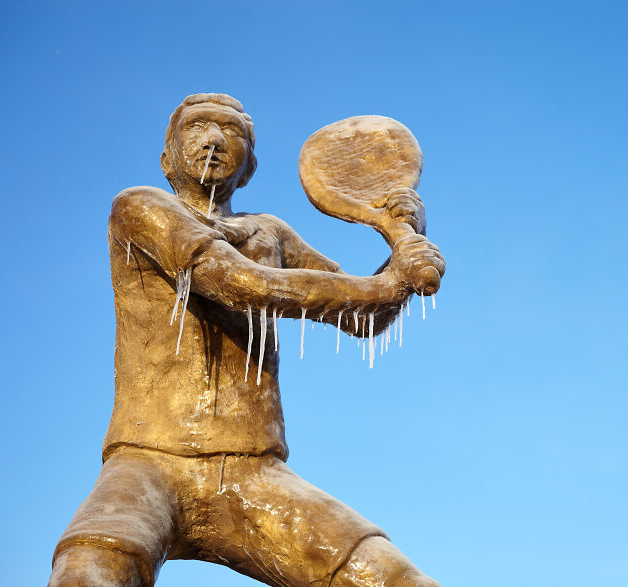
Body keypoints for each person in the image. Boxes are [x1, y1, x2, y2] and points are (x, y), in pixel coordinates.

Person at [49, 93, 445, 587]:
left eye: (231, 131)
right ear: (165, 157)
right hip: (148, 460)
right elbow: (236, 283)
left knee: (394, 578)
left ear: (250, 166)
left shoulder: (271, 232)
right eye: (196, 128)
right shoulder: (139, 206)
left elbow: (364, 319)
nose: (214, 140)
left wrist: (405, 241)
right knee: (89, 571)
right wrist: (389, 283)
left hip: (252, 472)